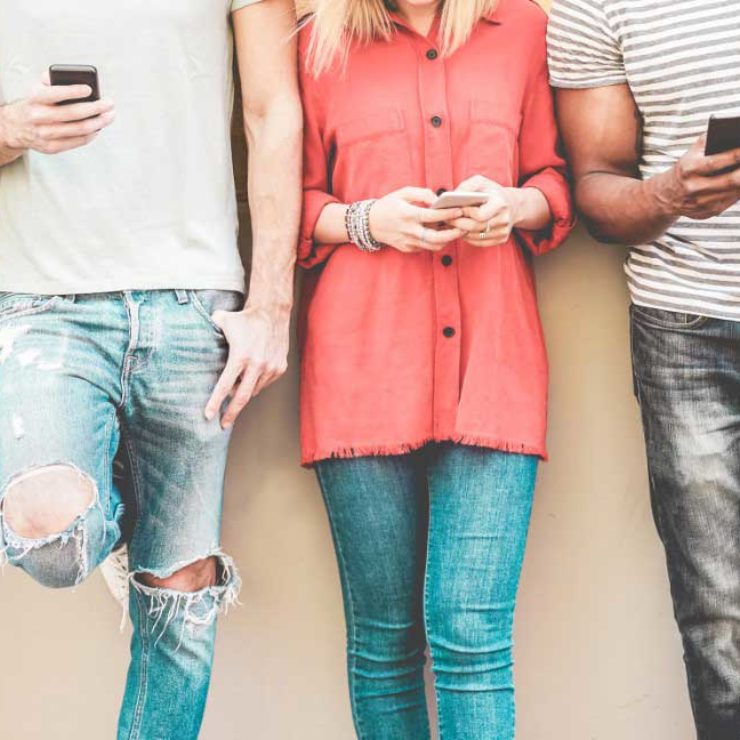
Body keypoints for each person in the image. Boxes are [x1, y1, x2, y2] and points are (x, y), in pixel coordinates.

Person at [0, 1, 301, 737]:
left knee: (179, 596)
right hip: (40, 304)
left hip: (194, 301)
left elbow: (273, 110)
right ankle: (120, 519)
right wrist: (9, 127)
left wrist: (271, 305)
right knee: (53, 534)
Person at [298, 0, 574, 736]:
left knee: (473, 640)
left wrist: (513, 206)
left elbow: (555, 179)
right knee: (386, 643)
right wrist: (368, 220)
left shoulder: (523, 28)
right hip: (361, 372)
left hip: (494, 367)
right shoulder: (315, 44)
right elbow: (286, 204)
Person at [547, 2, 740, 737]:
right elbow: (598, 185)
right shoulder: (590, 6)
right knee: (718, 613)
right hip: (684, 327)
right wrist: (669, 194)